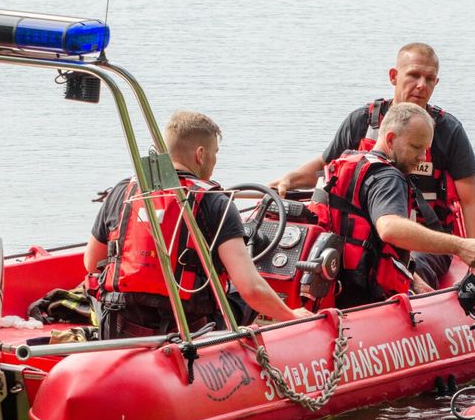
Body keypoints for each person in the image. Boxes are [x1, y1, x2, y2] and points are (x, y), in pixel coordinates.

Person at [272, 43, 475, 289]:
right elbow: (327, 167)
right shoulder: (361, 121)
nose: (421, 85)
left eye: (429, 79)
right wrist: (290, 178)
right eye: (414, 75)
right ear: (394, 76)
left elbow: (470, 200)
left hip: (424, 237)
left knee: (409, 267)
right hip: (361, 233)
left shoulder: (449, 130)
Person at [85, 111, 312, 339]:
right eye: (215, 154)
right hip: (191, 330)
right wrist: (291, 316)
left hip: (121, 325)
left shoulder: (122, 191)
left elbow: (92, 262)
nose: (214, 161)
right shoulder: (216, 203)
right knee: (250, 284)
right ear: (201, 154)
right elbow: (251, 288)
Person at [311, 102, 475, 308]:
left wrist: (413, 277)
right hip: (368, 302)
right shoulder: (388, 178)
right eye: (416, 147)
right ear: (390, 139)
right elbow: (390, 229)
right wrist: (460, 246)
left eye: (425, 149)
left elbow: (366, 239)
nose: (423, 157)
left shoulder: (350, 162)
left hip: (336, 289)